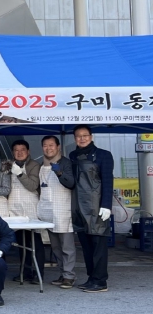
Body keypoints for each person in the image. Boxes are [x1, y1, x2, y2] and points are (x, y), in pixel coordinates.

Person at [69, 125, 114, 293]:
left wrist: (106, 205)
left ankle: (100, 281)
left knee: (98, 247)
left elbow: (108, 181)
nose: (82, 139)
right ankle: (91, 278)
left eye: (85, 135)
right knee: (86, 247)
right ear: (75, 138)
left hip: (97, 208)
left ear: (91, 136)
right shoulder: (73, 156)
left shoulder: (103, 155)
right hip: (79, 208)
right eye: (78, 136)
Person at [38, 135, 76, 289]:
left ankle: (69, 276)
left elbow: (71, 183)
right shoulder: (41, 165)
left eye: (51, 145)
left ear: (58, 147)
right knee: (55, 247)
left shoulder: (66, 163)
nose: (48, 148)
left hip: (63, 209)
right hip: (47, 210)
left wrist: (60, 173)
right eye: (45, 145)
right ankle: (62, 273)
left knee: (67, 246)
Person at [7, 139, 43, 283]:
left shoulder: (34, 165)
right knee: (22, 243)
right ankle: (25, 272)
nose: (19, 152)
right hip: (14, 207)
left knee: (35, 241)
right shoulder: (8, 165)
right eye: (16, 150)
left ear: (28, 152)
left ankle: (39, 273)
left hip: (30, 206)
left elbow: (33, 185)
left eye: (22, 150)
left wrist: (20, 174)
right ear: (12, 152)